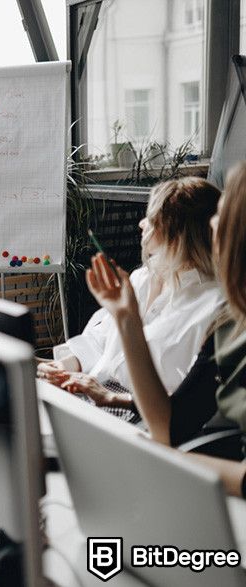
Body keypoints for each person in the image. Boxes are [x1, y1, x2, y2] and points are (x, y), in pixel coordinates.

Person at [85, 162, 246, 498]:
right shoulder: (230, 325)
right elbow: (171, 424)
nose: (214, 222)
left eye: (228, 212)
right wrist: (126, 316)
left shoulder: (220, 312)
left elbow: (170, 435)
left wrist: (158, 459)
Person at [38, 177, 224, 409]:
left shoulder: (216, 306)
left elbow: (188, 405)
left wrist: (110, 398)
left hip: (142, 417)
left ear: (175, 236)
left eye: (152, 219)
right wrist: (65, 366)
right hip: (95, 399)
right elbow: (101, 340)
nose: (142, 224)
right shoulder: (141, 278)